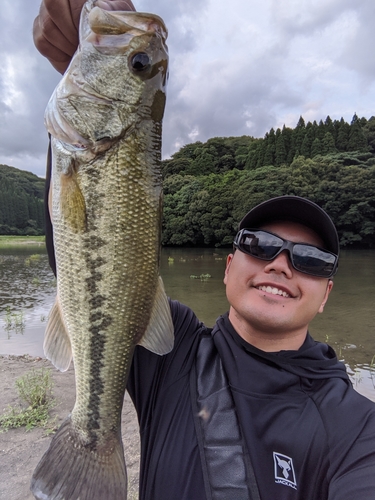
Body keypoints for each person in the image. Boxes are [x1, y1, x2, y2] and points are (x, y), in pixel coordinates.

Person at [33, 2, 375, 499]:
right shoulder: (173, 352)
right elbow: (79, 263)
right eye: (260, 245)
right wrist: (75, 85)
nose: (281, 263)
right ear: (229, 267)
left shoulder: (356, 429)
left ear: (326, 294)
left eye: (311, 258)